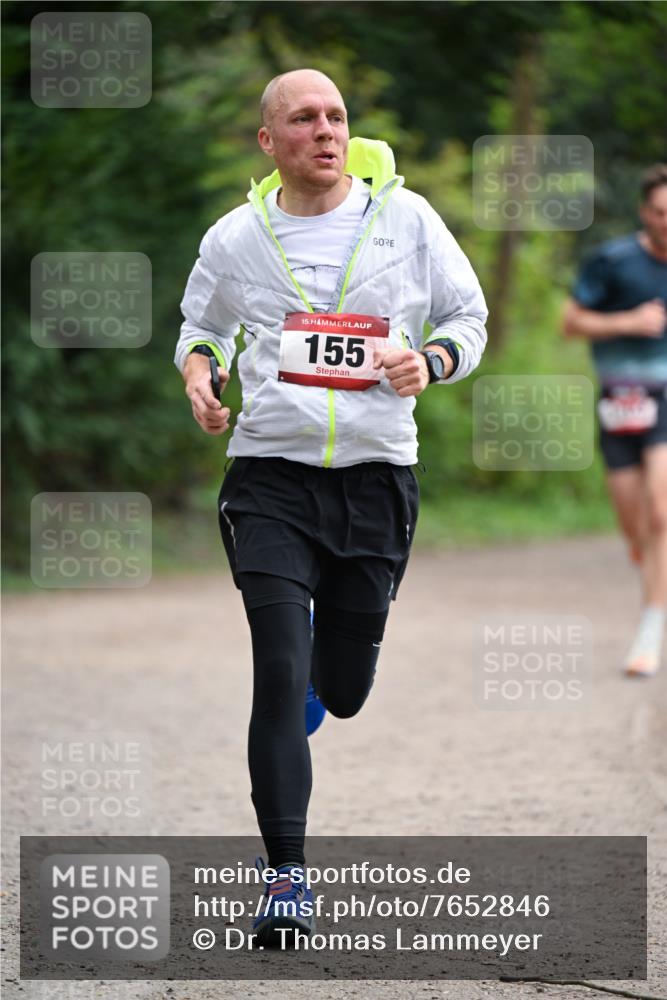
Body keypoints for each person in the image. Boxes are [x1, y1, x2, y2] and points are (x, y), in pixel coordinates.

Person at [175, 68, 487, 944]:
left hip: (376, 479)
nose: (325, 130)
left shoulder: (407, 219)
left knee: (339, 693)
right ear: (268, 142)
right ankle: (285, 881)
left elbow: (468, 317)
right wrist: (203, 376)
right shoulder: (236, 237)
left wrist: (429, 360)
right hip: (269, 478)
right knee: (275, 668)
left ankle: (327, 676)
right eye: (303, 118)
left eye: (336, 116)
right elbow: (202, 327)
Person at [563, 163, 667, 677]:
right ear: (645, 213)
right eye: (661, 212)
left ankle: (651, 629)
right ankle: (644, 557)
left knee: (661, 510)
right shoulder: (613, 261)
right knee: (635, 522)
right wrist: (630, 321)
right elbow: (570, 322)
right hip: (620, 401)